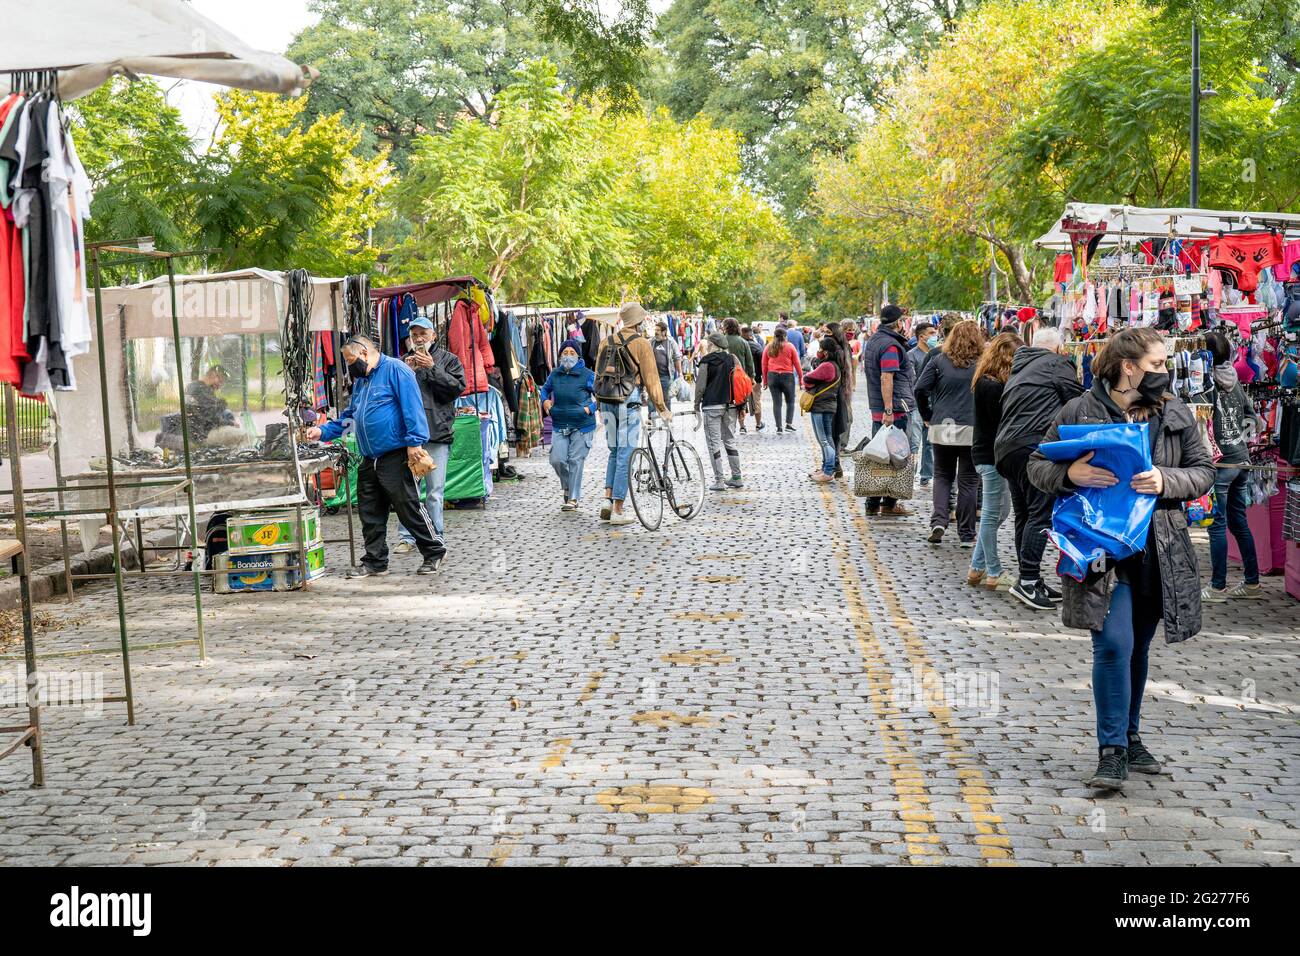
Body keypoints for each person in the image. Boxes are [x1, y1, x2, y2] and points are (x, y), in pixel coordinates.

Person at [1027, 328, 1214, 791]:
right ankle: (1111, 751)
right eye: (1157, 364)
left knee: (1138, 646)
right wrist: (1069, 472)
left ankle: (1130, 735)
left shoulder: (1174, 409)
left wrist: (1165, 480)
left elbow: (1204, 470)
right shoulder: (1079, 410)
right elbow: (1036, 464)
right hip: (1099, 550)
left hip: (1159, 547)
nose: (1164, 372)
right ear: (1128, 366)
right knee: (1112, 644)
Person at [306, 335, 441, 576]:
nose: (350, 366)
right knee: (369, 511)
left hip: (396, 453)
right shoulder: (362, 382)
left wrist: (414, 443)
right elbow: (351, 417)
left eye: (351, 360)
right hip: (370, 456)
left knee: (408, 507)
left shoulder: (396, 370)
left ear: (365, 353)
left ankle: (433, 551)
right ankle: (375, 561)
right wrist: (323, 431)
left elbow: (413, 407)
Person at [994, 325, 1084, 610]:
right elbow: (1079, 403)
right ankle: (1029, 581)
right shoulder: (1057, 365)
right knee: (1040, 514)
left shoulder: (1021, 368)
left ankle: (1028, 577)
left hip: (1007, 448)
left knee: (1024, 514)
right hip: (1033, 446)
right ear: (1058, 349)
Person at [1201, 330, 1264, 602]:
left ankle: (1217, 587)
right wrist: (1239, 436)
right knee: (1238, 523)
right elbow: (1253, 418)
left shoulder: (1205, 383)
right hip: (1241, 459)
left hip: (1221, 463)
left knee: (1217, 525)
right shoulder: (1234, 380)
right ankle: (1252, 582)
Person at [593, 302, 670, 527]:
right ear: (637, 321)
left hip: (606, 401)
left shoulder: (605, 342)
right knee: (626, 453)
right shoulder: (641, 343)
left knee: (614, 451)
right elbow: (651, 378)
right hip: (628, 401)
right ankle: (618, 508)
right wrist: (662, 408)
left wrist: (598, 402)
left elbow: (599, 373)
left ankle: (607, 499)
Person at [394, 317, 465, 556]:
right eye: (414, 335)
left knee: (434, 492)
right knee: (408, 490)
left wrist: (432, 368)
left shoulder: (449, 359)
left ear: (433, 335)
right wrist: (409, 372)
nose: (419, 338)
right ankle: (406, 537)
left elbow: (456, 389)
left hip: (437, 433)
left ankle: (436, 535)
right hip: (411, 437)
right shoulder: (404, 363)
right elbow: (394, 395)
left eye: (423, 333)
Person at [915, 320, 982, 545]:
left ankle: (938, 520)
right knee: (969, 481)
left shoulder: (939, 360)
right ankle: (966, 533)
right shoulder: (982, 364)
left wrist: (927, 414)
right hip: (972, 427)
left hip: (942, 424)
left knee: (942, 476)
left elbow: (920, 388)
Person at [968, 331, 1022, 589]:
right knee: (992, 514)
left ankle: (977, 567)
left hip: (992, 453)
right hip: (990, 454)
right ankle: (993, 570)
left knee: (1001, 511)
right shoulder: (991, 385)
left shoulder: (990, 382)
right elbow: (1001, 421)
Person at [859, 305, 914, 516]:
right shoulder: (890, 346)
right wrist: (889, 409)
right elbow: (886, 377)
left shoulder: (875, 340)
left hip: (881, 408)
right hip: (894, 410)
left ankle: (873, 504)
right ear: (898, 323)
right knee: (896, 457)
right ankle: (888, 504)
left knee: (880, 456)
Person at [539, 338, 598, 512]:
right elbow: (544, 390)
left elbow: (601, 393)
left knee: (575, 460)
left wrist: (591, 408)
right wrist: (545, 402)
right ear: (560, 355)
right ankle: (567, 486)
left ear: (578, 356)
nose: (568, 356)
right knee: (556, 459)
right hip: (560, 424)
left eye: (572, 353)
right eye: (565, 353)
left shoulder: (587, 374)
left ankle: (573, 498)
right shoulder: (555, 373)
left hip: (582, 425)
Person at [694, 332, 744, 491]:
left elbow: (700, 386)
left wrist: (696, 405)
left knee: (713, 443)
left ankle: (719, 480)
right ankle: (736, 477)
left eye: (709, 343)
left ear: (712, 344)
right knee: (730, 440)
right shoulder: (733, 359)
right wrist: (742, 405)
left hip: (712, 406)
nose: (707, 345)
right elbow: (740, 381)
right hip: (731, 405)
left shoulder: (706, 361)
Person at [803, 337, 841, 482]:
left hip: (822, 406)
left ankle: (828, 470)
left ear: (825, 352)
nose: (818, 352)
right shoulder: (833, 365)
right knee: (826, 439)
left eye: (820, 349)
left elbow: (807, 378)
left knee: (824, 440)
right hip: (826, 405)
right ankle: (826, 468)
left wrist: (808, 381)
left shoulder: (827, 366)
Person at [907, 318, 938, 487]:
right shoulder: (911, 355)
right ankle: (909, 474)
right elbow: (912, 382)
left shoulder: (938, 354)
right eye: (931, 333)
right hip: (917, 404)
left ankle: (926, 475)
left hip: (935, 404)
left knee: (930, 443)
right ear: (921, 337)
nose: (935, 336)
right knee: (914, 441)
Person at [762, 325, 803, 433]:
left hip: (772, 376)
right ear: (785, 336)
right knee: (790, 401)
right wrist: (801, 378)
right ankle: (788, 424)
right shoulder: (790, 346)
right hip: (787, 376)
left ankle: (779, 427)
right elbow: (797, 363)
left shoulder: (769, 347)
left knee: (777, 403)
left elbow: (764, 364)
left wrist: (765, 381)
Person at [184, 364, 236, 443]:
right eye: (220, 381)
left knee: (228, 414)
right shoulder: (201, 390)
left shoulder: (194, 386)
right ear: (213, 375)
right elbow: (212, 419)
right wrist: (231, 423)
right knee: (245, 436)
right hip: (202, 435)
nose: (220, 386)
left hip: (199, 431)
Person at [651, 320, 683, 414]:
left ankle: (667, 418)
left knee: (666, 399)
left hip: (666, 376)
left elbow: (677, 357)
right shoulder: (651, 341)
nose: (655, 332)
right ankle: (651, 419)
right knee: (651, 399)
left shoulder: (671, 342)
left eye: (658, 330)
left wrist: (680, 373)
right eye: (655, 330)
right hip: (653, 376)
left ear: (664, 332)